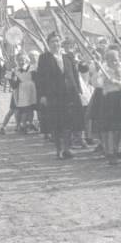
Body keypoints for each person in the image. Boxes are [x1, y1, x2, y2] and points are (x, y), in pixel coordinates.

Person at [36, 32, 82, 160]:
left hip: (69, 94)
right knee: (56, 123)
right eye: (52, 41)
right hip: (53, 95)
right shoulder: (44, 58)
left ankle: (67, 148)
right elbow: (40, 78)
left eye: (57, 41)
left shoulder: (68, 56)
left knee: (68, 122)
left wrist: (78, 89)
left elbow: (74, 74)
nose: (55, 44)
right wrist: (42, 95)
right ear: (48, 43)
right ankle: (59, 150)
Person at [1, 53, 37, 135]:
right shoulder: (15, 71)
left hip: (31, 91)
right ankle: (14, 126)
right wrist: (10, 73)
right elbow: (13, 85)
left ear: (26, 59)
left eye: (23, 59)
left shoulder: (31, 68)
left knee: (30, 108)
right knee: (16, 109)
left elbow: (35, 76)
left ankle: (28, 124)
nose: (22, 61)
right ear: (17, 61)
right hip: (19, 92)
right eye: (19, 60)